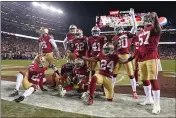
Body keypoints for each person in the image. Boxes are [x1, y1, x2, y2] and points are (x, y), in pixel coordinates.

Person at [136, 12, 162, 114]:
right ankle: (148, 98)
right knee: (144, 79)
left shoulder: (154, 28)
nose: (146, 20)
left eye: (148, 19)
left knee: (153, 79)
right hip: (142, 58)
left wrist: (155, 17)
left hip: (151, 56)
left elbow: (158, 29)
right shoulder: (141, 31)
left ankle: (157, 104)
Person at [112, 8, 138, 98]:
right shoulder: (115, 38)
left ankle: (134, 91)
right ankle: (111, 89)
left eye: (118, 28)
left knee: (131, 74)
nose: (118, 30)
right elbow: (113, 48)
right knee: (114, 74)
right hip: (118, 56)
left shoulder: (127, 34)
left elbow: (135, 27)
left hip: (126, 55)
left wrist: (132, 16)